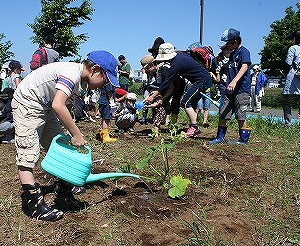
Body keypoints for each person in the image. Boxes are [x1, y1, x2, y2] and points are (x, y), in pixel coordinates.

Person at [11, 50, 119, 221]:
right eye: (105, 79)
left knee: (60, 145)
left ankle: (63, 184)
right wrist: (77, 133)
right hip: (28, 103)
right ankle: (34, 205)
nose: (104, 84)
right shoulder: (72, 73)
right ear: (95, 69)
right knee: (28, 153)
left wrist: (69, 130)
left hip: (46, 107)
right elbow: (58, 104)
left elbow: (65, 106)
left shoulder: (80, 83)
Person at [145, 43, 212, 138]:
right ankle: (193, 127)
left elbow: (167, 82)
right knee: (189, 103)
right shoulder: (180, 55)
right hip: (201, 80)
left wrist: (153, 96)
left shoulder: (176, 64)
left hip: (201, 81)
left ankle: (194, 128)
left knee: (185, 103)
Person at [209, 28, 252, 145]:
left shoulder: (244, 51)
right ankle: (219, 137)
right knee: (223, 113)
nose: (225, 47)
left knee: (240, 115)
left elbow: (244, 67)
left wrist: (234, 81)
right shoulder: (232, 54)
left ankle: (243, 139)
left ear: (234, 42)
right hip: (229, 91)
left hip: (241, 90)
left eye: (227, 44)